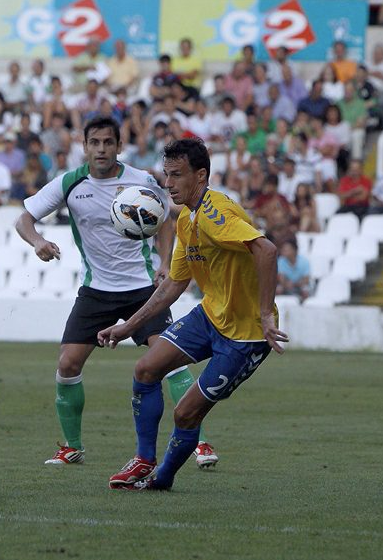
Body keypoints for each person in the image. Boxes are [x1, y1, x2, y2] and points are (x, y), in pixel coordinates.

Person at [14, 117, 220, 468]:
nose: (101, 149)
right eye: (94, 142)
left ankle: (198, 443)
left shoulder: (141, 181)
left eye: (108, 142)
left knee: (167, 361)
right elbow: (24, 219)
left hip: (143, 288)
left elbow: (167, 220)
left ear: (119, 146)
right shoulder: (70, 183)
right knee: (67, 363)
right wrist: (38, 242)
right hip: (96, 290)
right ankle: (71, 446)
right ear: (85, 146)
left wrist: (165, 264)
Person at [99, 138, 288, 491]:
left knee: (185, 412)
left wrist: (265, 314)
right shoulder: (187, 218)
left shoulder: (216, 214)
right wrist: (129, 327)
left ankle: (162, 480)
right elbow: (174, 284)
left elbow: (267, 250)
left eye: (177, 175)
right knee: (145, 368)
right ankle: (143, 459)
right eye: (166, 175)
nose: (168, 184)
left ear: (201, 176)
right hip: (210, 315)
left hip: (245, 336)